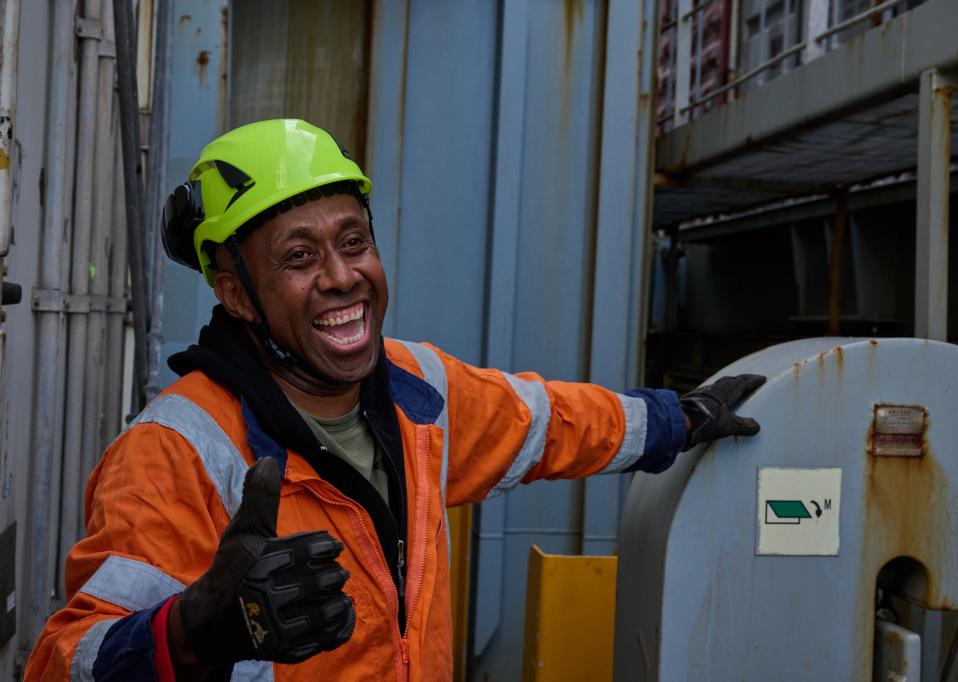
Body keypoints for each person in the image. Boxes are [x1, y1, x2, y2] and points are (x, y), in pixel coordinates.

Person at [25, 119, 764, 681]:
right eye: (299, 256)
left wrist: (680, 417)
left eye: (355, 241)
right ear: (234, 294)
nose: (343, 276)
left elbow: (547, 424)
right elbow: (65, 658)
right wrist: (194, 631)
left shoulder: (418, 392)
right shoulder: (176, 450)